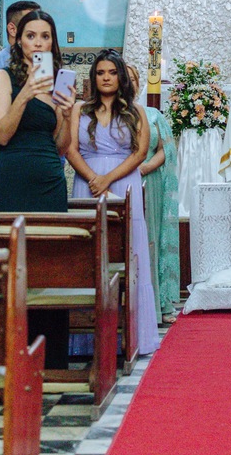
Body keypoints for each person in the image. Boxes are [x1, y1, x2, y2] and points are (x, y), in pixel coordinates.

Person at [68, 50, 158, 355]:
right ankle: (86, 341)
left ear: (121, 76)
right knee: (89, 257)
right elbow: (70, 149)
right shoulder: (80, 109)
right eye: (100, 73)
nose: (106, 78)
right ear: (93, 77)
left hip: (123, 182)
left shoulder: (135, 111)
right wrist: (94, 177)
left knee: (128, 254)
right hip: (87, 183)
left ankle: (134, 337)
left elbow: (140, 152)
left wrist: (107, 180)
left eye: (111, 72)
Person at [0, 11, 75, 212]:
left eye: (45, 36)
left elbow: (60, 147)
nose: (38, 43)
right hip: (8, 176)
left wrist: (68, 117)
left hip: (48, 179)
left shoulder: (55, 84)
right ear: (19, 41)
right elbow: (3, 135)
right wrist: (25, 94)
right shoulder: (2, 77)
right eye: (30, 36)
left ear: (52, 43)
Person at [128, 64, 180, 324]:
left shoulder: (153, 114)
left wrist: (147, 166)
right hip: (122, 182)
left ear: (138, 85)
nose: (129, 83)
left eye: (133, 79)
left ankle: (157, 304)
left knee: (151, 240)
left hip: (150, 182)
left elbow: (166, 149)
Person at [0, 0, 40, 90]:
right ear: (12, 30)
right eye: (31, 33)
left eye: (44, 35)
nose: (39, 41)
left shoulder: (47, 69)